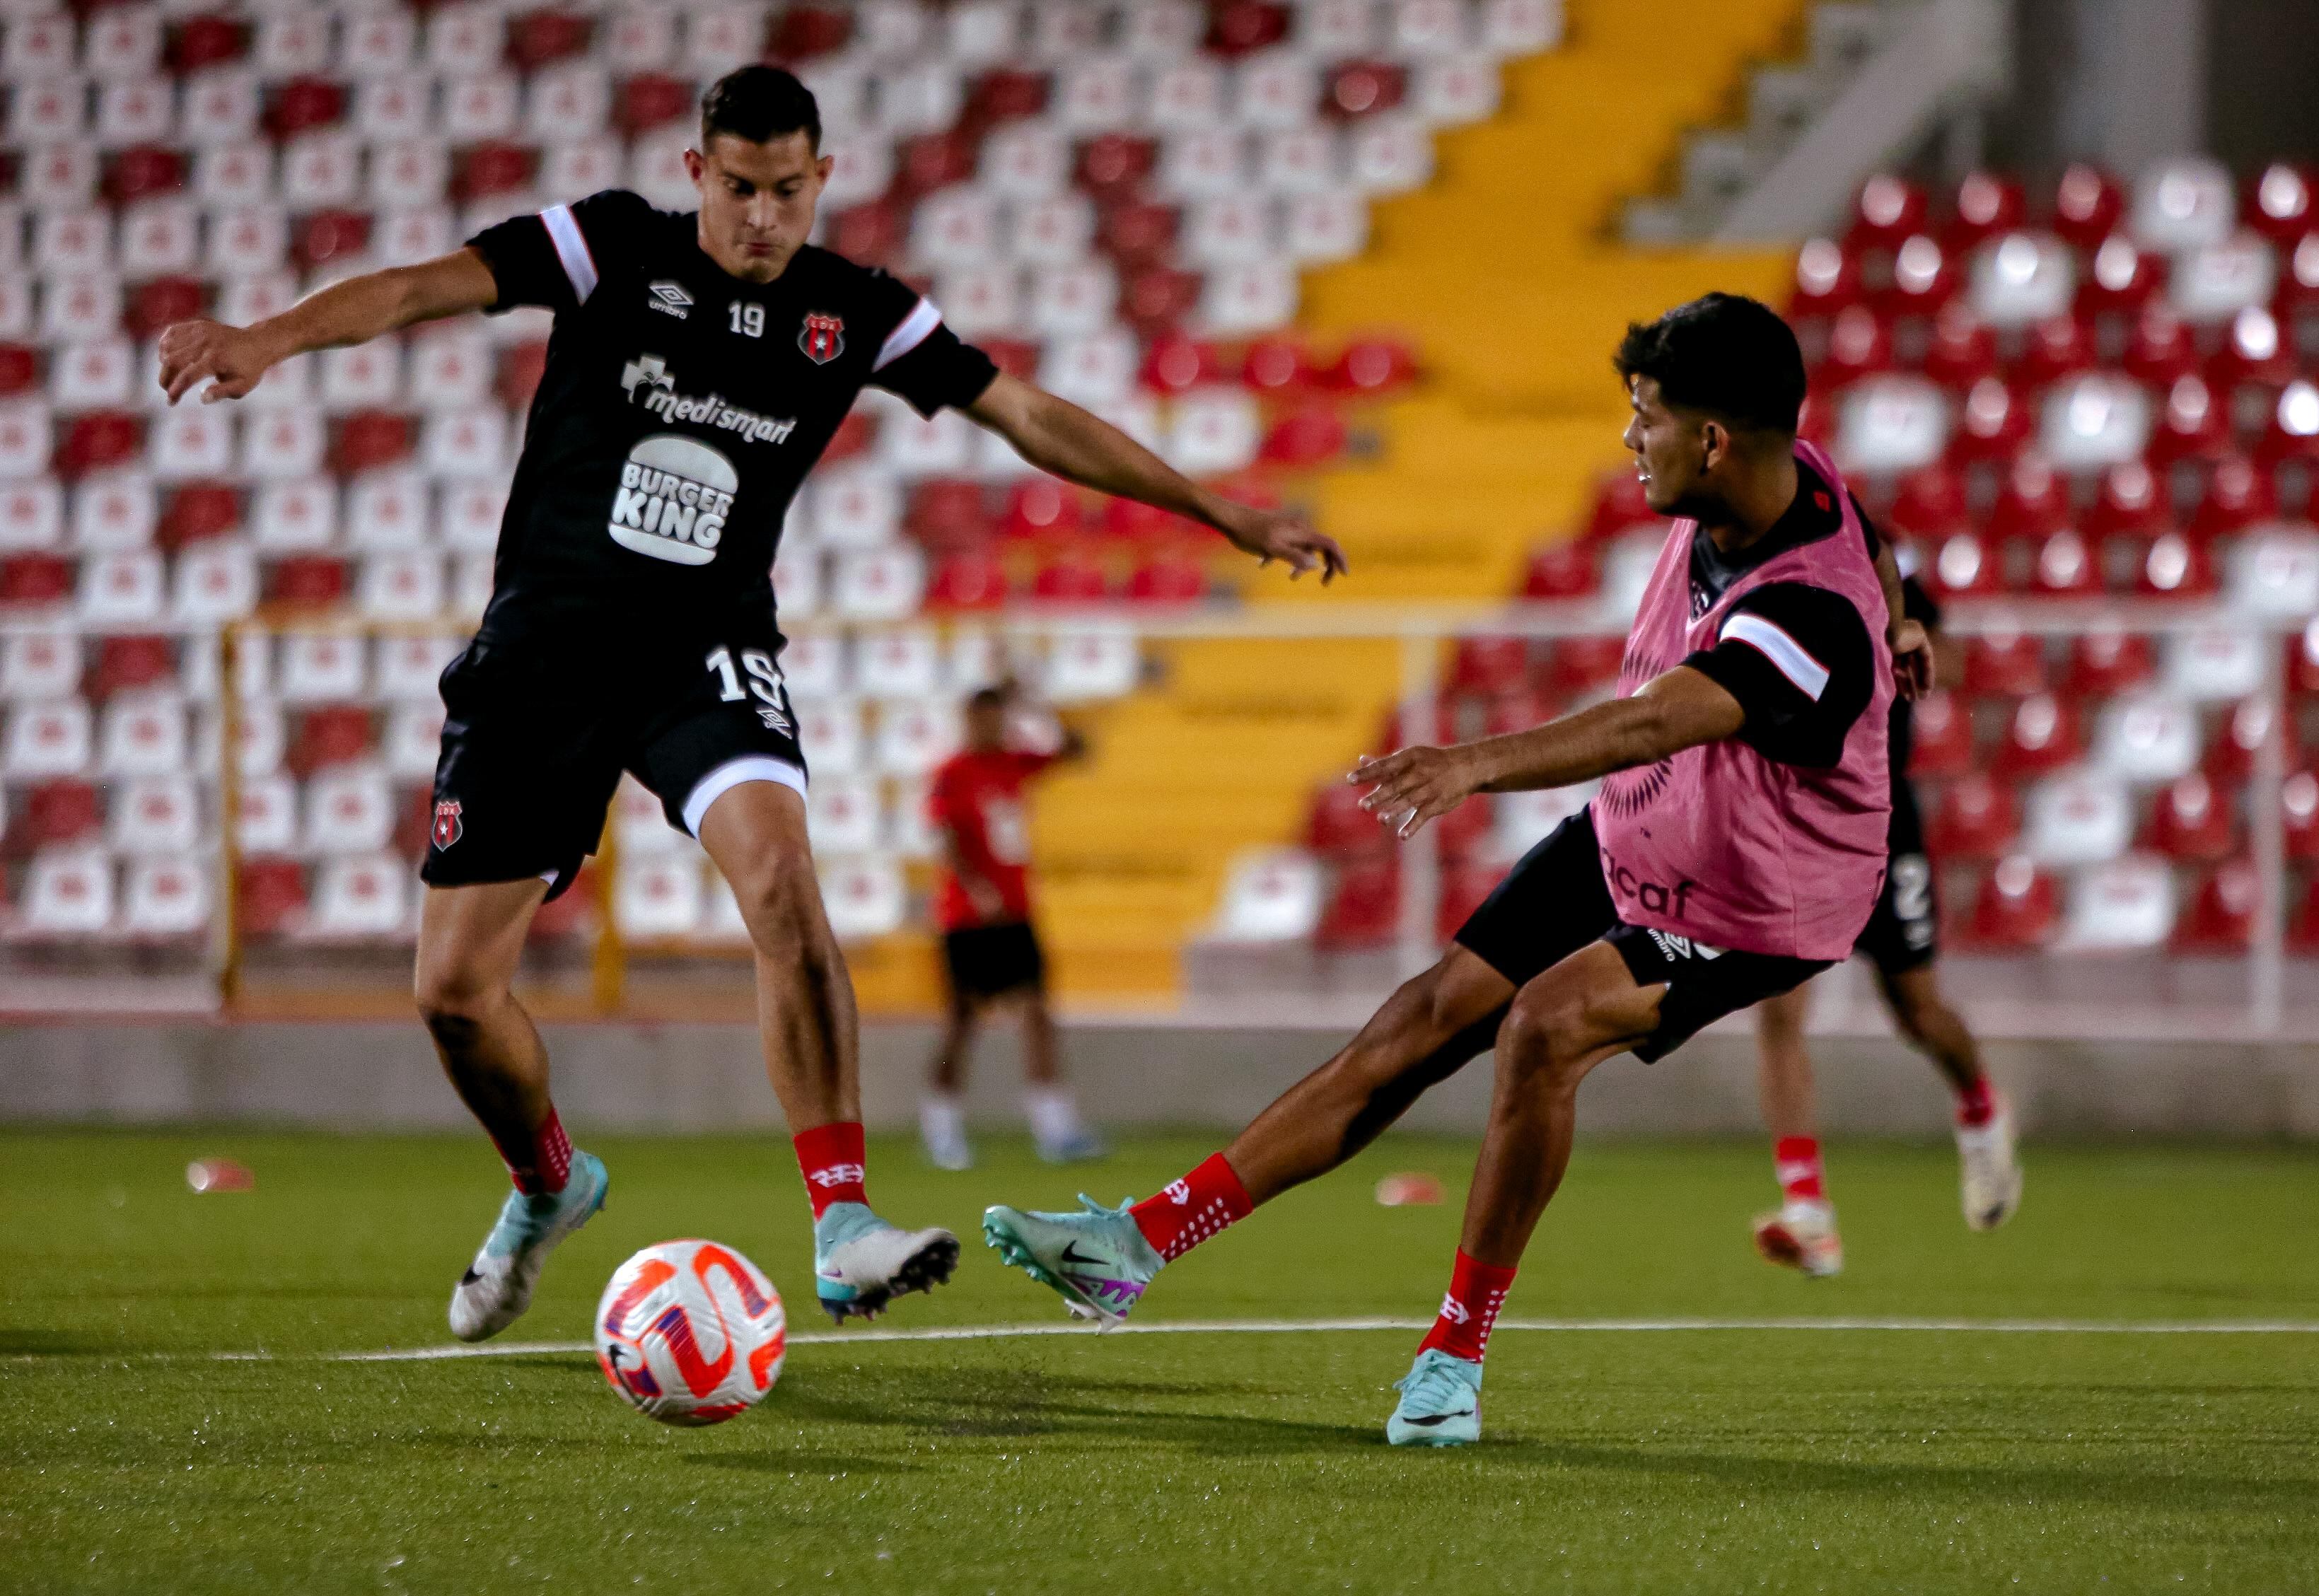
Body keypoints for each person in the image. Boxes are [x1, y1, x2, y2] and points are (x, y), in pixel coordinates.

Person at [156, 65, 1344, 1339]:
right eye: (739, 189)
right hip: (545, 658)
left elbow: (1031, 415)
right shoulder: (609, 246)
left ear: (822, 180)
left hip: (703, 649)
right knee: (452, 993)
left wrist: (1221, 507)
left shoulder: (858, 312)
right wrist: (266, 337)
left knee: (782, 880)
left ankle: (843, 1223)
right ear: (695, 175)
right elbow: (418, 288)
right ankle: (549, 1186)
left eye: (788, 191)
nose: (764, 218)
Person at [983, 292, 1933, 1446]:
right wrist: (1911, 615)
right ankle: (1126, 1248)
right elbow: (1868, 530)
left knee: (1545, 1025)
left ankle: (1452, 1359)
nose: (1631, 442)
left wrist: (1471, 763)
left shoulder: (1808, 620)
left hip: (1758, 900)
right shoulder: (1799, 473)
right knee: (1432, 1012)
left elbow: (1651, 724)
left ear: (1714, 440)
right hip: (1653, 829)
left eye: (1646, 419)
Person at [1748, 559, 2021, 1277]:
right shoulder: (1759, 576)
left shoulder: (1877, 569)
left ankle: (1981, 1109)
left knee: (1916, 1009)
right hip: (1796, 826)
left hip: (1881, 821)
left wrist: (1894, 646)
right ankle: (1809, 1214)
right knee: (1778, 1010)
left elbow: (1945, 653)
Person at [919, 677, 1104, 1169]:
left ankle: (1054, 1127)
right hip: (966, 917)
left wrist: (1037, 700)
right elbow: (946, 834)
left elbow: (1078, 748)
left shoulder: (1011, 762)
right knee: (962, 1020)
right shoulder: (952, 772)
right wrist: (977, 888)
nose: (992, 725)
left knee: (1037, 1013)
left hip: (1016, 911)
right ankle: (942, 1123)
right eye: (984, 716)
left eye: (999, 715)